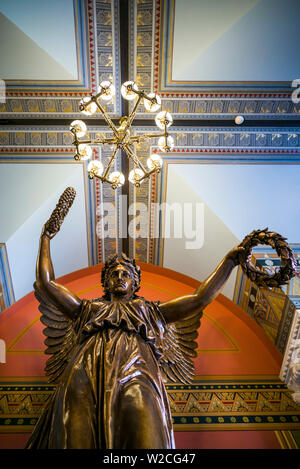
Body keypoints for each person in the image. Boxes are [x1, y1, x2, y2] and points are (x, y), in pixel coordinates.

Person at [26, 221, 245, 449]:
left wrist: (229, 262)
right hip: (85, 372)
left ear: (135, 283)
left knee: (146, 434)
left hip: (137, 372)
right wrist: (46, 238)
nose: (120, 276)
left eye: (126, 274)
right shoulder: (87, 310)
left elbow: (200, 298)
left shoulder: (150, 312)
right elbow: (47, 283)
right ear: (106, 283)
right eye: (114, 274)